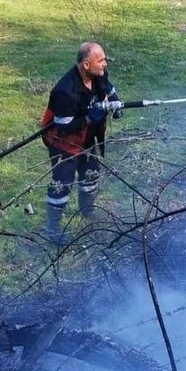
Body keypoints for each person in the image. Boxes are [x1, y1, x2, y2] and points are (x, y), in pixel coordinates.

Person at [39, 42, 123, 244]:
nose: (105, 64)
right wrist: (88, 118)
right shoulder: (64, 91)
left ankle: (87, 211)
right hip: (63, 142)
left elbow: (109, 90)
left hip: (87, 137)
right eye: (100, 60)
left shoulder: (99, 75)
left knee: (90, 174)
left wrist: (116, 103)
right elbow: (63, 125)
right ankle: (51, 229)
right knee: (63, 182)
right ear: (86, 65)